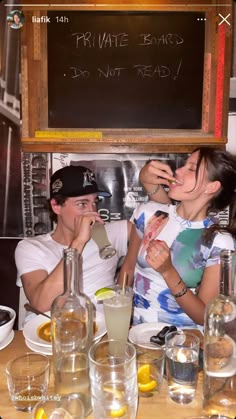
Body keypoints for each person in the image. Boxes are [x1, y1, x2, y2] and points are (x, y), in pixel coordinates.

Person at [119, 147, 236, 328]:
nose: (178, 171)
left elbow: (204, 316)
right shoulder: (149, 213)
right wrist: (120, 320)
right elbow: (128, 268)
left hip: (183, 343)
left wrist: (168, 271)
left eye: (191, 168)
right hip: (137, 334)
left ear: (212, 187)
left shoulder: (219, 241)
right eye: (183, 165)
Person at [15, 165, 131, 323]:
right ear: (56, 206)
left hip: (101, 332)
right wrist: (78, 242)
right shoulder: (31, 247)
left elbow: (154, 226)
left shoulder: (110, 233)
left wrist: (128, 270)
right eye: (82, 204)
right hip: (53, 334)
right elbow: (41, 304)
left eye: (94, 202)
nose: (92, 211)